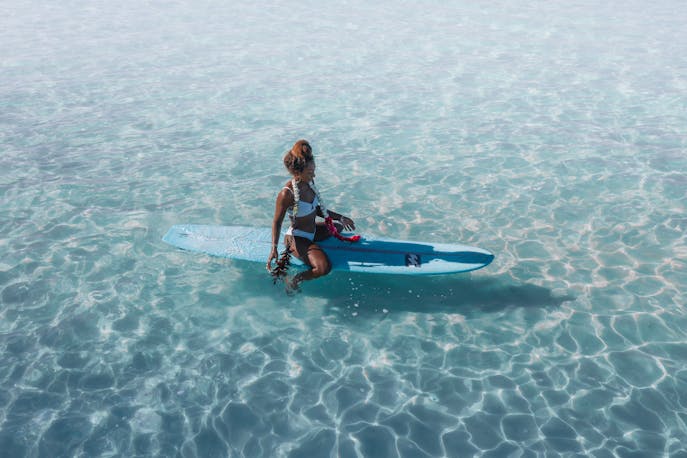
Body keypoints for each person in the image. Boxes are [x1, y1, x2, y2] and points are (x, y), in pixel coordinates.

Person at [267, 140, 358, 291]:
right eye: (310, 172)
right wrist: (274, 248)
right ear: (298, 172)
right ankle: (295, 279)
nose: (314, 174)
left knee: (339, 226)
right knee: (323, 268)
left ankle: (326, 232)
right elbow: (276, 222)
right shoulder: (287, 194)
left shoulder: (309, 182)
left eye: (314, 170)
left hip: (313, 232)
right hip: (297, 238)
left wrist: (340, 217)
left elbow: (315, 208)